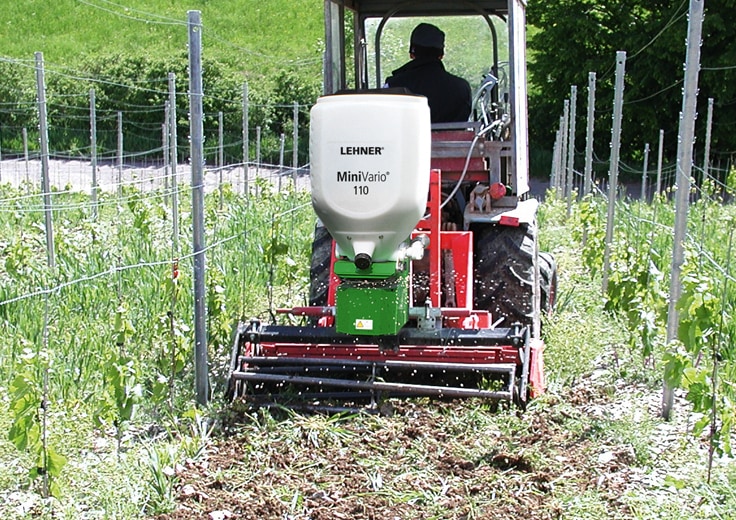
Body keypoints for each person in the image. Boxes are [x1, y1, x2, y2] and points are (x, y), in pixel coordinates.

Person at [384, 23, 472, 124]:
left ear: (412, 54)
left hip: (406, 140)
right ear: (441, 55)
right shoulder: (462, 87)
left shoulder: (392, 87)